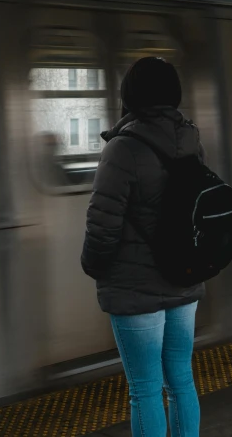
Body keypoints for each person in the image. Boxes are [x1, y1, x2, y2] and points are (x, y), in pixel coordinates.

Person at [81, 57, 203, 437]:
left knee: (145, 389)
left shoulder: (123, 148)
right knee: (181, 381)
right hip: (184, 279)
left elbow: (102, 225)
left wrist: (94, 266)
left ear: (130, 95)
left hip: (135, 290)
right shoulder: (191, 140)